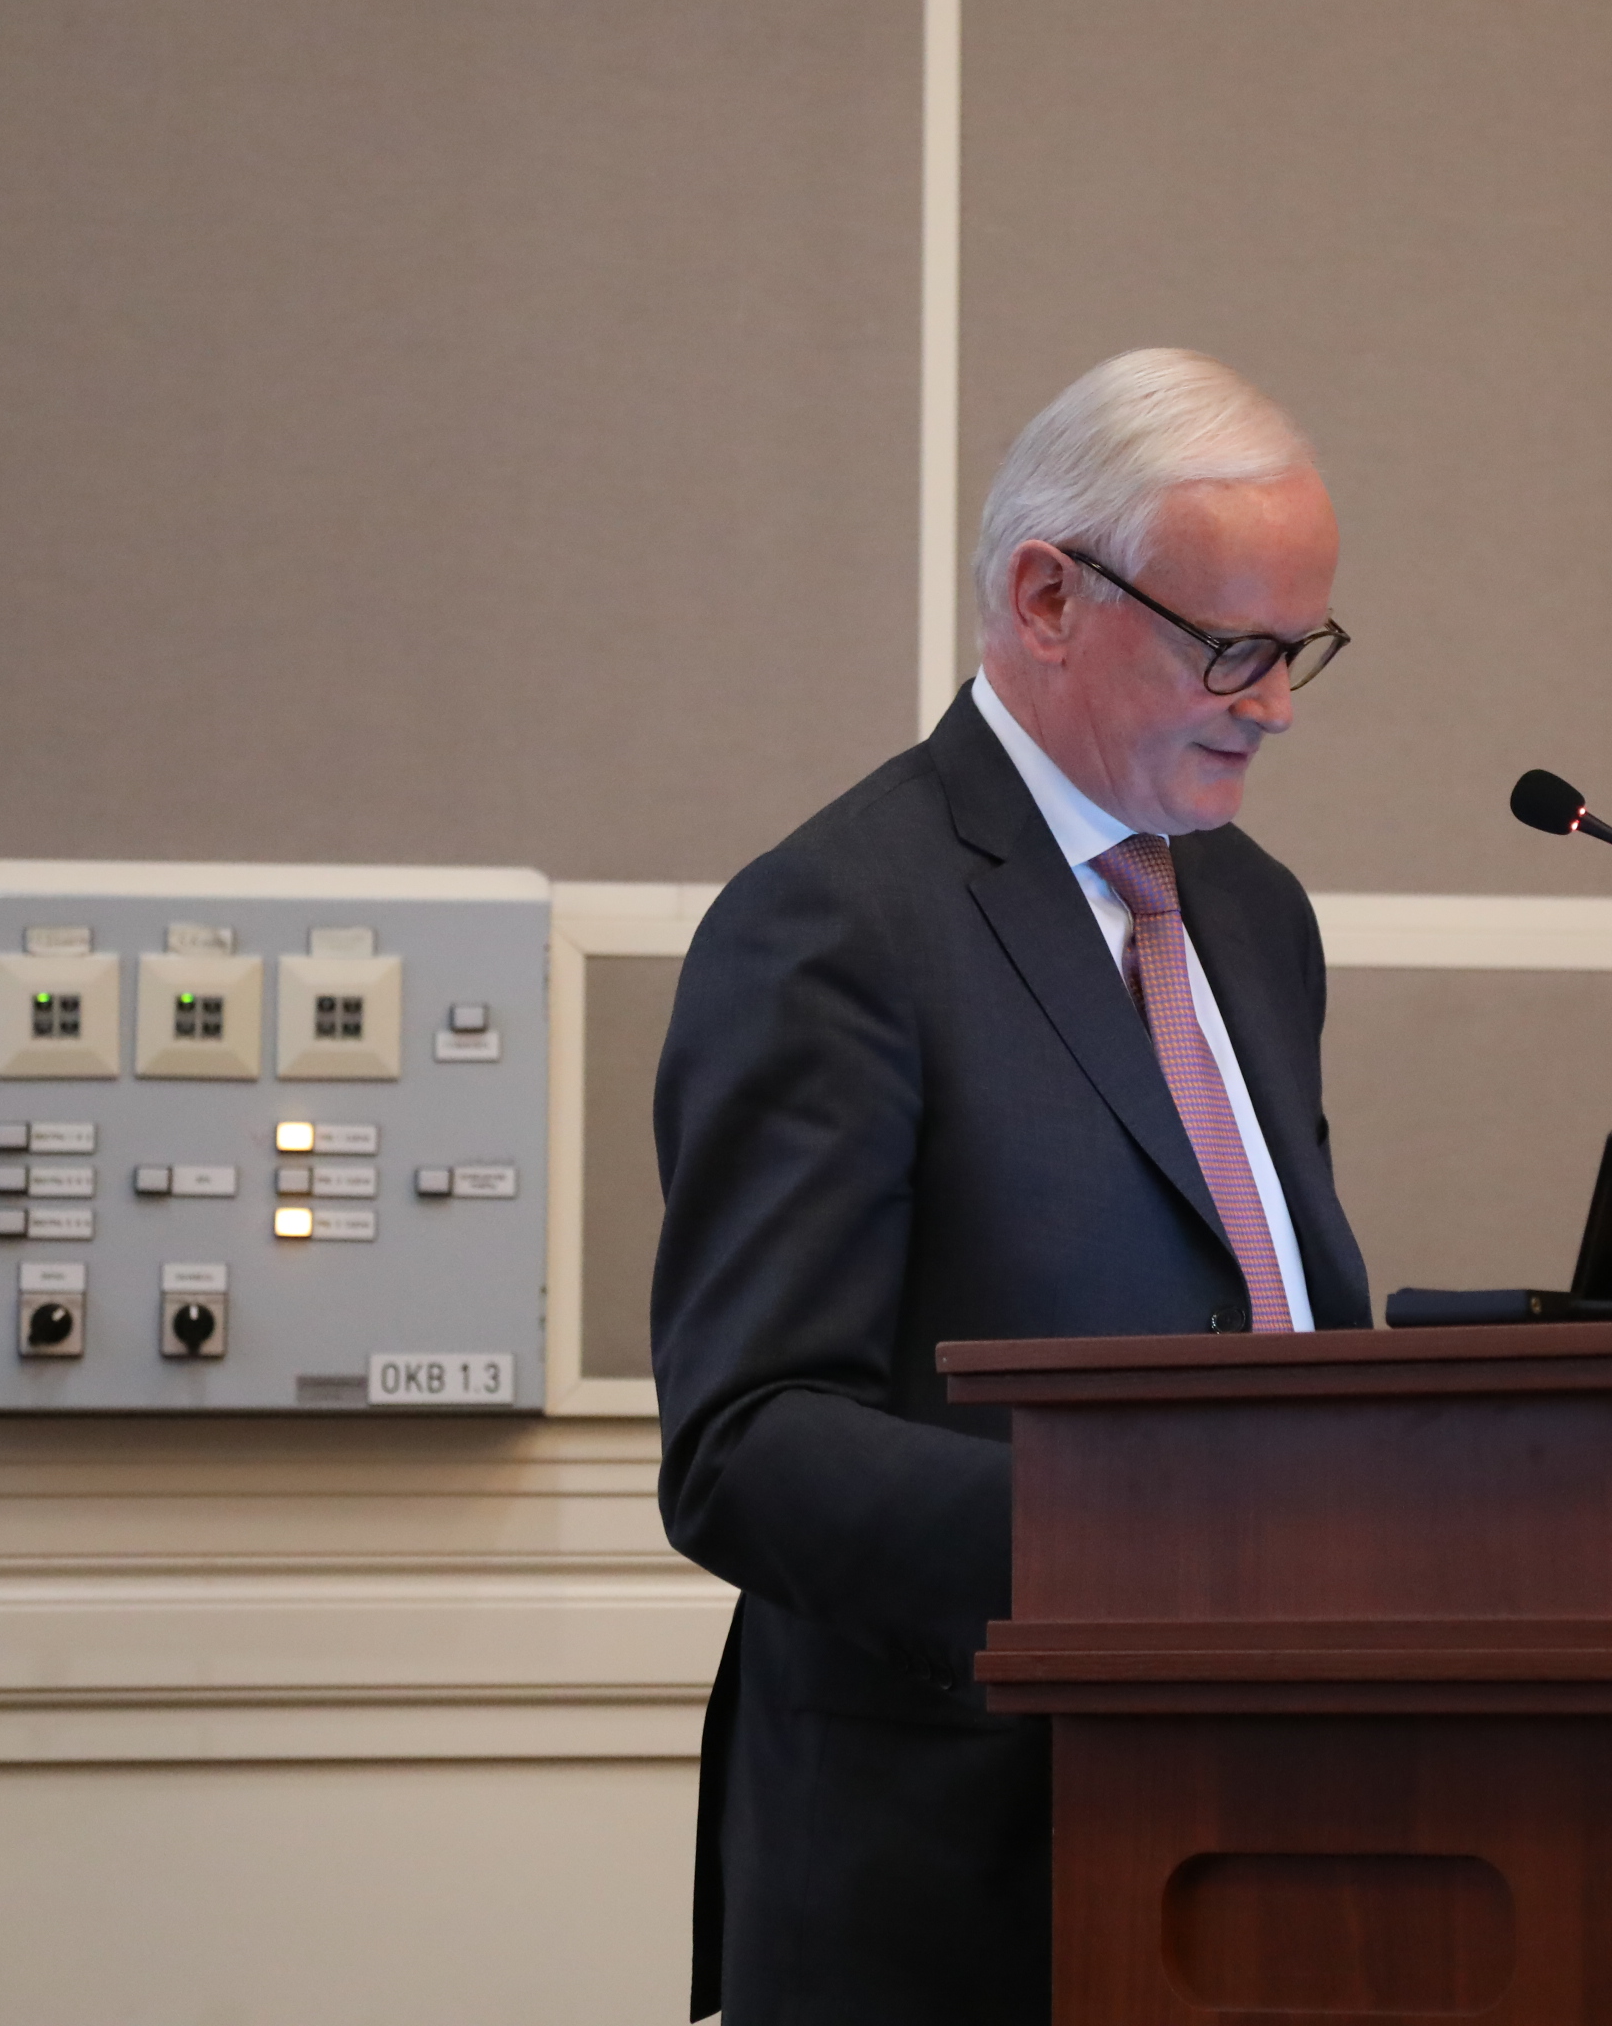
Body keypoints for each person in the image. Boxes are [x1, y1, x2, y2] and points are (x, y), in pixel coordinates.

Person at [649, 348, 1375, 2023]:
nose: (1275, 704)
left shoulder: (1254, 915)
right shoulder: (836, 922)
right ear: (1048, 598)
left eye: (1302, 649)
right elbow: (747, 1441)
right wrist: (1152, 1551)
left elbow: (1266, 1315)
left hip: (1271, 1844)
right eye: (1234, 648)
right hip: (952, 1883)